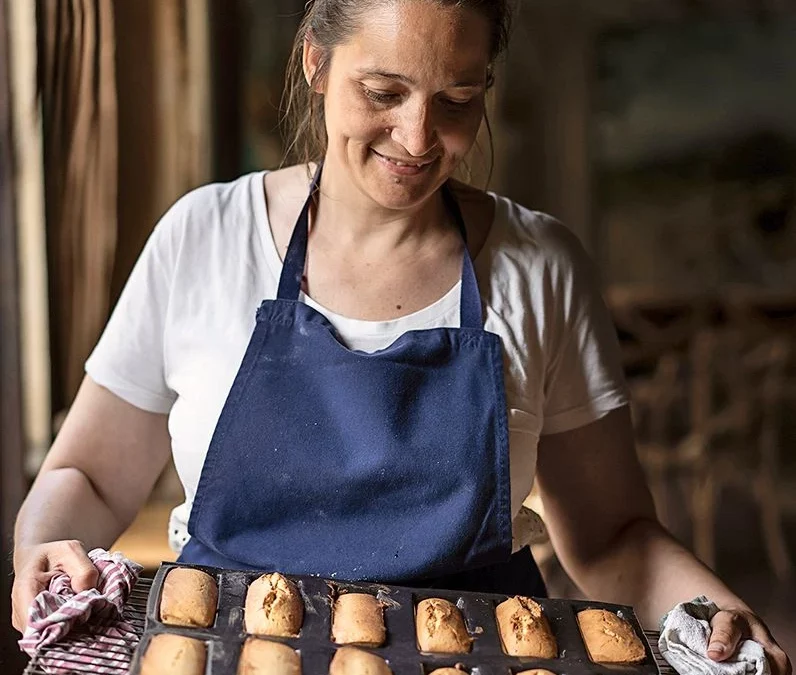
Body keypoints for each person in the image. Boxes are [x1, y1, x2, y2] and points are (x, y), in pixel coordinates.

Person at [11, 1, 791, 672]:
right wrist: (44, 542)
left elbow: (611, 534)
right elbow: (90, 473)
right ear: (315, 61)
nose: (419, 139)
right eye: (383, 91)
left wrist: (708, 606)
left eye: (457, 97)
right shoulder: (204, 238)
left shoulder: (541, 267)